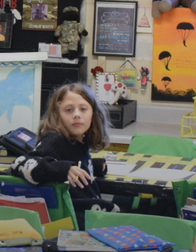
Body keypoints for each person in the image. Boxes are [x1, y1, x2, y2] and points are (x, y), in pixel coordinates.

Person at [9, 82, 119, 217]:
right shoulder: (54, 140)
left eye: (83, 109)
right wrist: (63, 169)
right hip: (77, 217)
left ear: (93, 114)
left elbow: (66, 160)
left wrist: (93, 166)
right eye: (69, 110)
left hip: (88, 211)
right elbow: (19, 163)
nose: (77, 115)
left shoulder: (78, 141)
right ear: (57, 115)